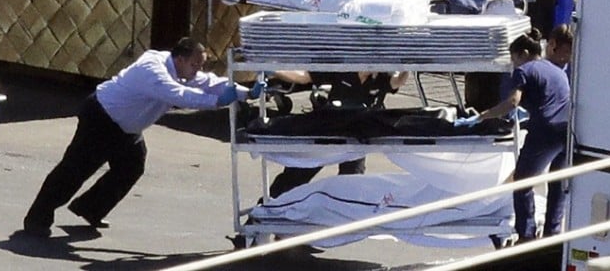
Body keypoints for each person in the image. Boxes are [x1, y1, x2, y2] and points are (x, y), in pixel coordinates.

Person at [22, 37, 264, 237]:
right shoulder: (153, 68)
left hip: (127, 128)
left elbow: (209, 83)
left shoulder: (182, 70)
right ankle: (37, 219)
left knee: (131, 166)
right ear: (179, 59)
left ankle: (89, 208)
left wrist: (245, 93)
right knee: (74, 171)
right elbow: (177, 95)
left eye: (200, 65)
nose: (198, 70)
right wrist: (217, 102)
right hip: (102, 119)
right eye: (195, 64)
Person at [471, 29, 570, 242]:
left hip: (544, 132)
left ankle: (526, 235)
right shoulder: (556, 69)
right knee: (558, 182)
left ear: (523, 53)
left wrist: (483, 116)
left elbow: (513, 102)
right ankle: (553, 233)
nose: (513, 64)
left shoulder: (524, 70)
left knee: (523, 183)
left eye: (513, 58)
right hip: (567, 131)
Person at [265, 70, 409, 197]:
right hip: (327, 130)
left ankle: (344, 218)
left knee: (351, 181)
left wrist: (407, 67)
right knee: (296, 174)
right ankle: (267, 209)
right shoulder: (342, 69)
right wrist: (272, 70)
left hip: (356, 136)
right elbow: (304, 77)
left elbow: (398, 81)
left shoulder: (380, 78)